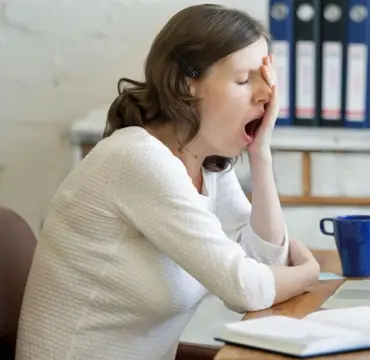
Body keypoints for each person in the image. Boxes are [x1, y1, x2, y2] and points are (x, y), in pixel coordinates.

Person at [15, 4, 320, 360]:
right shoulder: (138, 159)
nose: (266, 95)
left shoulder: (205, 165)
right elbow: (247, 288)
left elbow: (264, 262)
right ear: (183, 83)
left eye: (265, 79)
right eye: (243, 80)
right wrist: (310, 273)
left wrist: (260, 152)